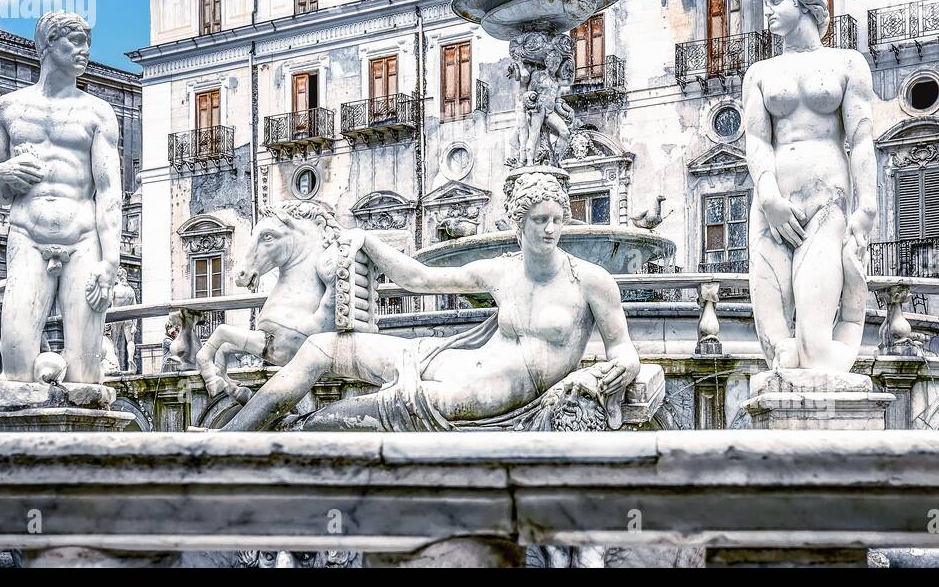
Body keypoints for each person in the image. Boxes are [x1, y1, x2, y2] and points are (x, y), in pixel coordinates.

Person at [220, 170, 638, 431]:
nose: (550, 230)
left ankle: (293, 434)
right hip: (447, 358)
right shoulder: (501, 270)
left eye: (557, 220)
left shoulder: (590, 280)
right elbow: (418, 278)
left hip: (483, 391)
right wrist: (368, 241)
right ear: (518, 224)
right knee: (320, 346)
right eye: (539, 220)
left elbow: (623, 348)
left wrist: (625, 363)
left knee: (353, 415)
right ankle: (231, 436)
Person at [743, 0, 878, 373]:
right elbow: (756, 141)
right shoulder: (760, 72)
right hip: (772, 204)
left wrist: (867, 205)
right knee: (780, 353)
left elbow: (862, 139)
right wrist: (768, 198)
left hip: (826, 201)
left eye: (775, 0)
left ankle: (852, 324)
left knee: (816, 351)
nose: (766, 10)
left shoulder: (847, 63)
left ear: (803, 4)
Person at [0, 11, 122, 390]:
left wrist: (110, 261)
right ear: (47, 45)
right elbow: (0, 191)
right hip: (27, 234)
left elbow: (110, 190)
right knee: (14, 362)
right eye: (74, 43)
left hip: (83, 239)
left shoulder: (97, 112)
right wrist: (0, 175)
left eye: (87, 44)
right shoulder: (8, 109)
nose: (84, 53)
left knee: (85, 375)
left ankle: (86, 446)